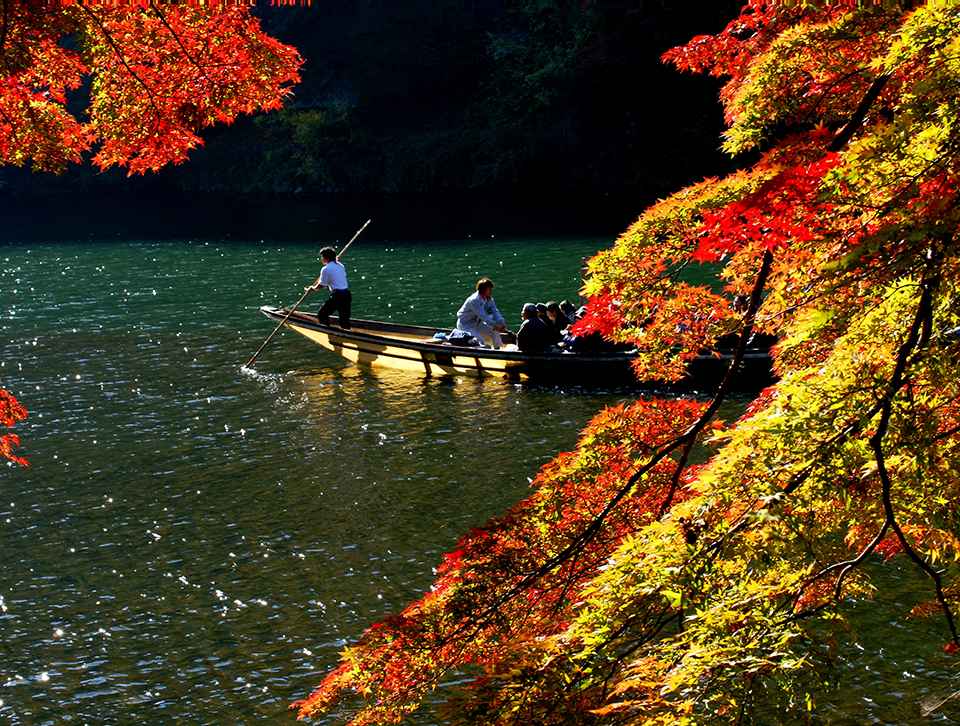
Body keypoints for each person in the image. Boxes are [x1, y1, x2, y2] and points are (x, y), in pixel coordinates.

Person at [307, 246, 351, 329]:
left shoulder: (326, 269)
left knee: (322, 314)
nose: (321, 259)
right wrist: (336, 261)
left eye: (322, 257)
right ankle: (347, 332)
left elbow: (321, 285)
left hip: (338, 296)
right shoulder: (341, 266)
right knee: (344, 319)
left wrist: (312, 288)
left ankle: (327, 331)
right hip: (346, 295)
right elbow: (335, 268)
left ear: (327, 258)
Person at [456, 278, 507, 348]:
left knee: (494, 332)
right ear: (483, 290)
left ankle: (497, 350)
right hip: (466, 325)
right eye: (489, 289)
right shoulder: (474, 300)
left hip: (477, 323)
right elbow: (483, 316)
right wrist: (494, 325)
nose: (491, 291)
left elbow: (494, 311)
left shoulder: (489, 299)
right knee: (480, 340)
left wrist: (502, 322)